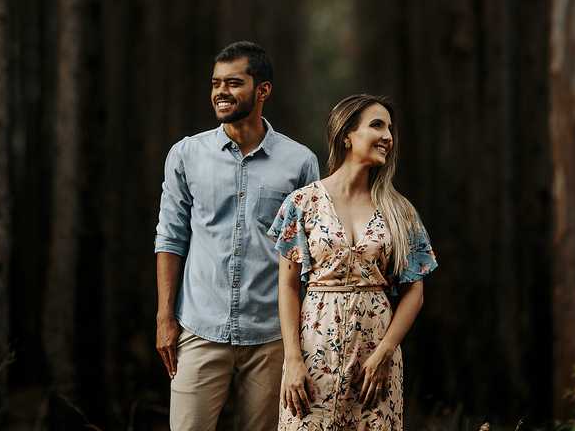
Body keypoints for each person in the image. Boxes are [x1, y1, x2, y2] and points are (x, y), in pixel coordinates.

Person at [155, 41, 321, 431]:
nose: (220, 93)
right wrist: (165, 316)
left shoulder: (300, 163)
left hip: (271, 336)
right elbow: (170, 237)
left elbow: (310, 255)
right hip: (199, 328)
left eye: (233, 82)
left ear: (262, 90)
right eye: (216, 83)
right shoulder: (186, 155)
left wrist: (301, 340)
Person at [268, 94, 437, 431]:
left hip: (375, 357)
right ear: (346, 134)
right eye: (377, 125)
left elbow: (414, 292)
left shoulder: (400, 211)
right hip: (314, 355)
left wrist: (385, 352)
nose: (388, 136)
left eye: (390, 128)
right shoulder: (302, 203)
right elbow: (287, 285)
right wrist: (292, 358)